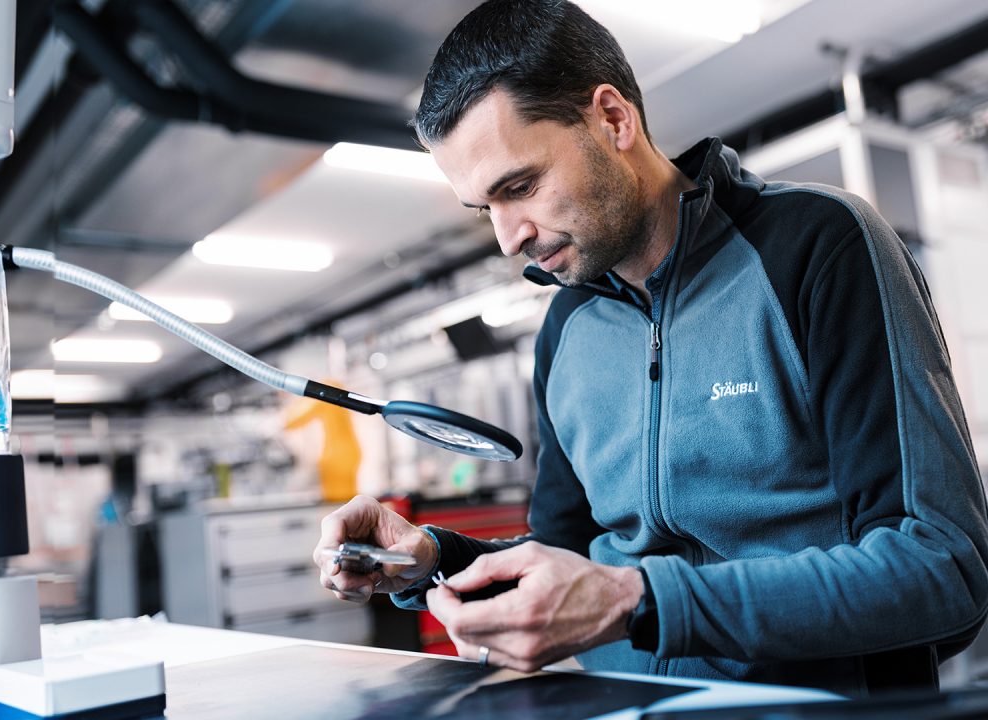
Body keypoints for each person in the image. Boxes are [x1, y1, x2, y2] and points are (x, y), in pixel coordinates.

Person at [313, 0, 988, 696]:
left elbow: (942, 570)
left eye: (520, 186)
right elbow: (568, 560)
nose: (508, 237)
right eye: (487, 208)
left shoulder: (817, 248)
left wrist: (639, 601)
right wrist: (438, 557)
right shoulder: (566, 328)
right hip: (625, 706)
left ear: (613, 119)